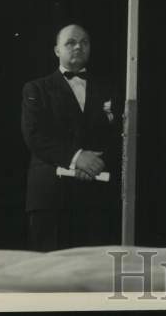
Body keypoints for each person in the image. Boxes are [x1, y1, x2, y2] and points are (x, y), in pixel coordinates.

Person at [21, 24, 121, 250]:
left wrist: (98, 163)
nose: (78, 46)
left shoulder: (109, 88)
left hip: (96, 194)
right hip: (51, 197)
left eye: (84, 42)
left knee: (94, 273)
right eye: (70, 42)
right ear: (57, 50)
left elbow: (119, 134)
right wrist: (78, 158)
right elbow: (34, 135)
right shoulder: (36, 88)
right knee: (48, 276)